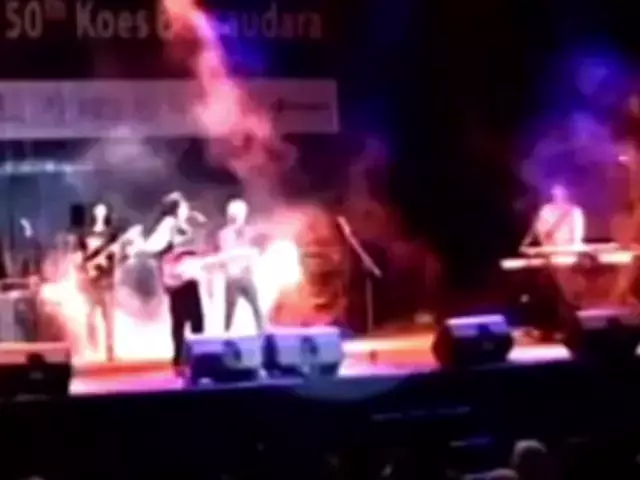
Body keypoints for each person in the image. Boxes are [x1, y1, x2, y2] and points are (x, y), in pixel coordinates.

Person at [144, 192, 205, 370]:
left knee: (192, 319)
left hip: (187, 276)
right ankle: (183, 356)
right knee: (185, 319)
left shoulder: (183, 225)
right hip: (177, 278)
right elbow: (154, 245)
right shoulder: (169, 224)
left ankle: (189, 355)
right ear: (177, 209)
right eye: (184, 206)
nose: (187, 209)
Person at [78, 202, 119, 361]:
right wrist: (86, 270)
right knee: (90, 316)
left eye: (103, 211)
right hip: (91, 282)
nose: (100, 213)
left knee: (109, 318)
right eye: (97, 211)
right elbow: (81, 257)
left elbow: (116, 256)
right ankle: (93, 347)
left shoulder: (112, 234)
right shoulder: (85, 234)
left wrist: (113, 255)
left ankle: (110, 350)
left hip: (107, 281)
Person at [218, 198, 264, 333]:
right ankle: (226, 336)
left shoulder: (247, 232)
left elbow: (253, 252)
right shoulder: (225, 234)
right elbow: (226, 254)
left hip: (246, 276)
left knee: (256, 307)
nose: (242, 217)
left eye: (243, 214)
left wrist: (251, 260)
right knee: (229, 312)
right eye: (238, 214)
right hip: (233, 277)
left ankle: (262, 333)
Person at [533, 184, 585, 248]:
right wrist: (547, 243)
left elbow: (577, 234)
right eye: (556, 190)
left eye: (561, 191)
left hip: (569, 249)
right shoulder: (545, 210)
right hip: (551, 249)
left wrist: (573, 245)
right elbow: (541, 231)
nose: (558, 194)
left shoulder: (574, 211)